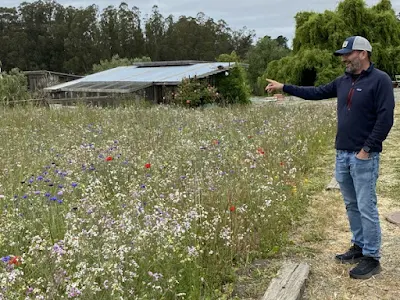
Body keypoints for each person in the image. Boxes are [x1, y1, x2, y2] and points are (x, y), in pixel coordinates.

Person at [266, 36, 395, 280]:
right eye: (343, 55)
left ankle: (372, 257)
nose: (344, 59)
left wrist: (367, 149)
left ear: (363, 54)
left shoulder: (381, 80)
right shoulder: (343, 81)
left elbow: (385, 118)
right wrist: (285, 87)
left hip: (364, 156)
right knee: (351, 204)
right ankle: (358, 246)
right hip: (342, 153)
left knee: (366, 206)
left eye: (348, 54)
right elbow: (315, 92)